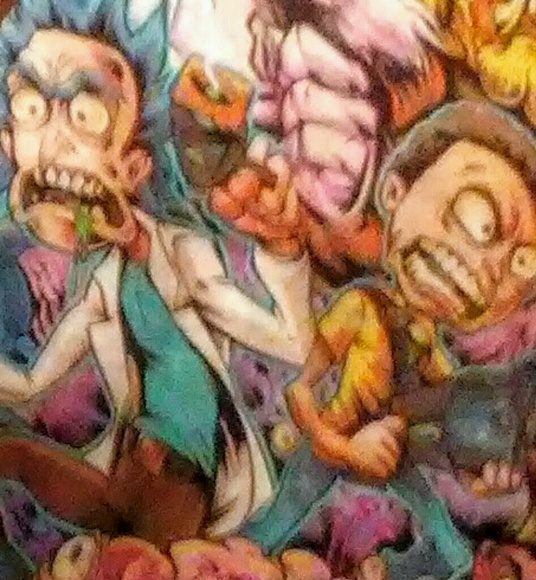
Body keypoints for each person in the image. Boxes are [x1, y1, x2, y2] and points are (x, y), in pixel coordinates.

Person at [0, 0, 314, 550]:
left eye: (87, 116)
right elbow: (32, 383)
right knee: (19, 458)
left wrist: (286, 250)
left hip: (180, 470)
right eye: (30, 108)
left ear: (135, 167)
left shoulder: (184, 256)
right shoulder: (102, 285)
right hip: (131, 467)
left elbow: (291, 343)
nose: (55, 143)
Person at [240, 101, 536, 572]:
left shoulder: (431, 346)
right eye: (476, 218)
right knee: (272, 527)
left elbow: (436, 424)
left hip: (393, 456)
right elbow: (300, 391)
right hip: (335, 446)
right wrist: (345, 447)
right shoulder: (361, 307)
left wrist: (484, 482)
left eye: (521, 264)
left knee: (451, 551)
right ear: (394, 191)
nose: (487, 265)